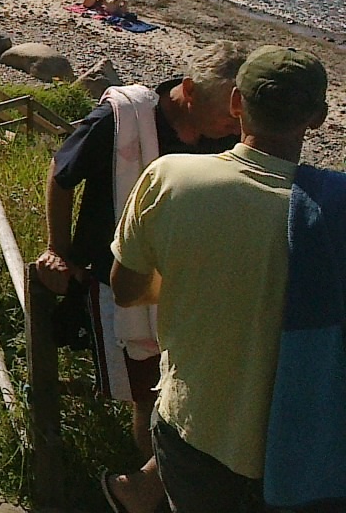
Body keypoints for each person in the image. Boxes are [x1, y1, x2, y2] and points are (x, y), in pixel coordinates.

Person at [112, 47, 330, 513]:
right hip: (308, 441)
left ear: (236, 103)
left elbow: (126, 291)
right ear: (318, 118)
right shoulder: (334, 206)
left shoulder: (171, 178)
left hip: (195, 429)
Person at [33, 41, 247, 513]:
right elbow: (61, 172)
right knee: (148, 393)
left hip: (190, 284)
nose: (235, 125)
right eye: (228, 115)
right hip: (119, 277)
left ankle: (152, 490)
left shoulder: (228, 132)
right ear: (189, 91)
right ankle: (157, 493)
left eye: (241, 114)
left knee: (184, 390)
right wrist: (57, 250)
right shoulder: (123, 118)